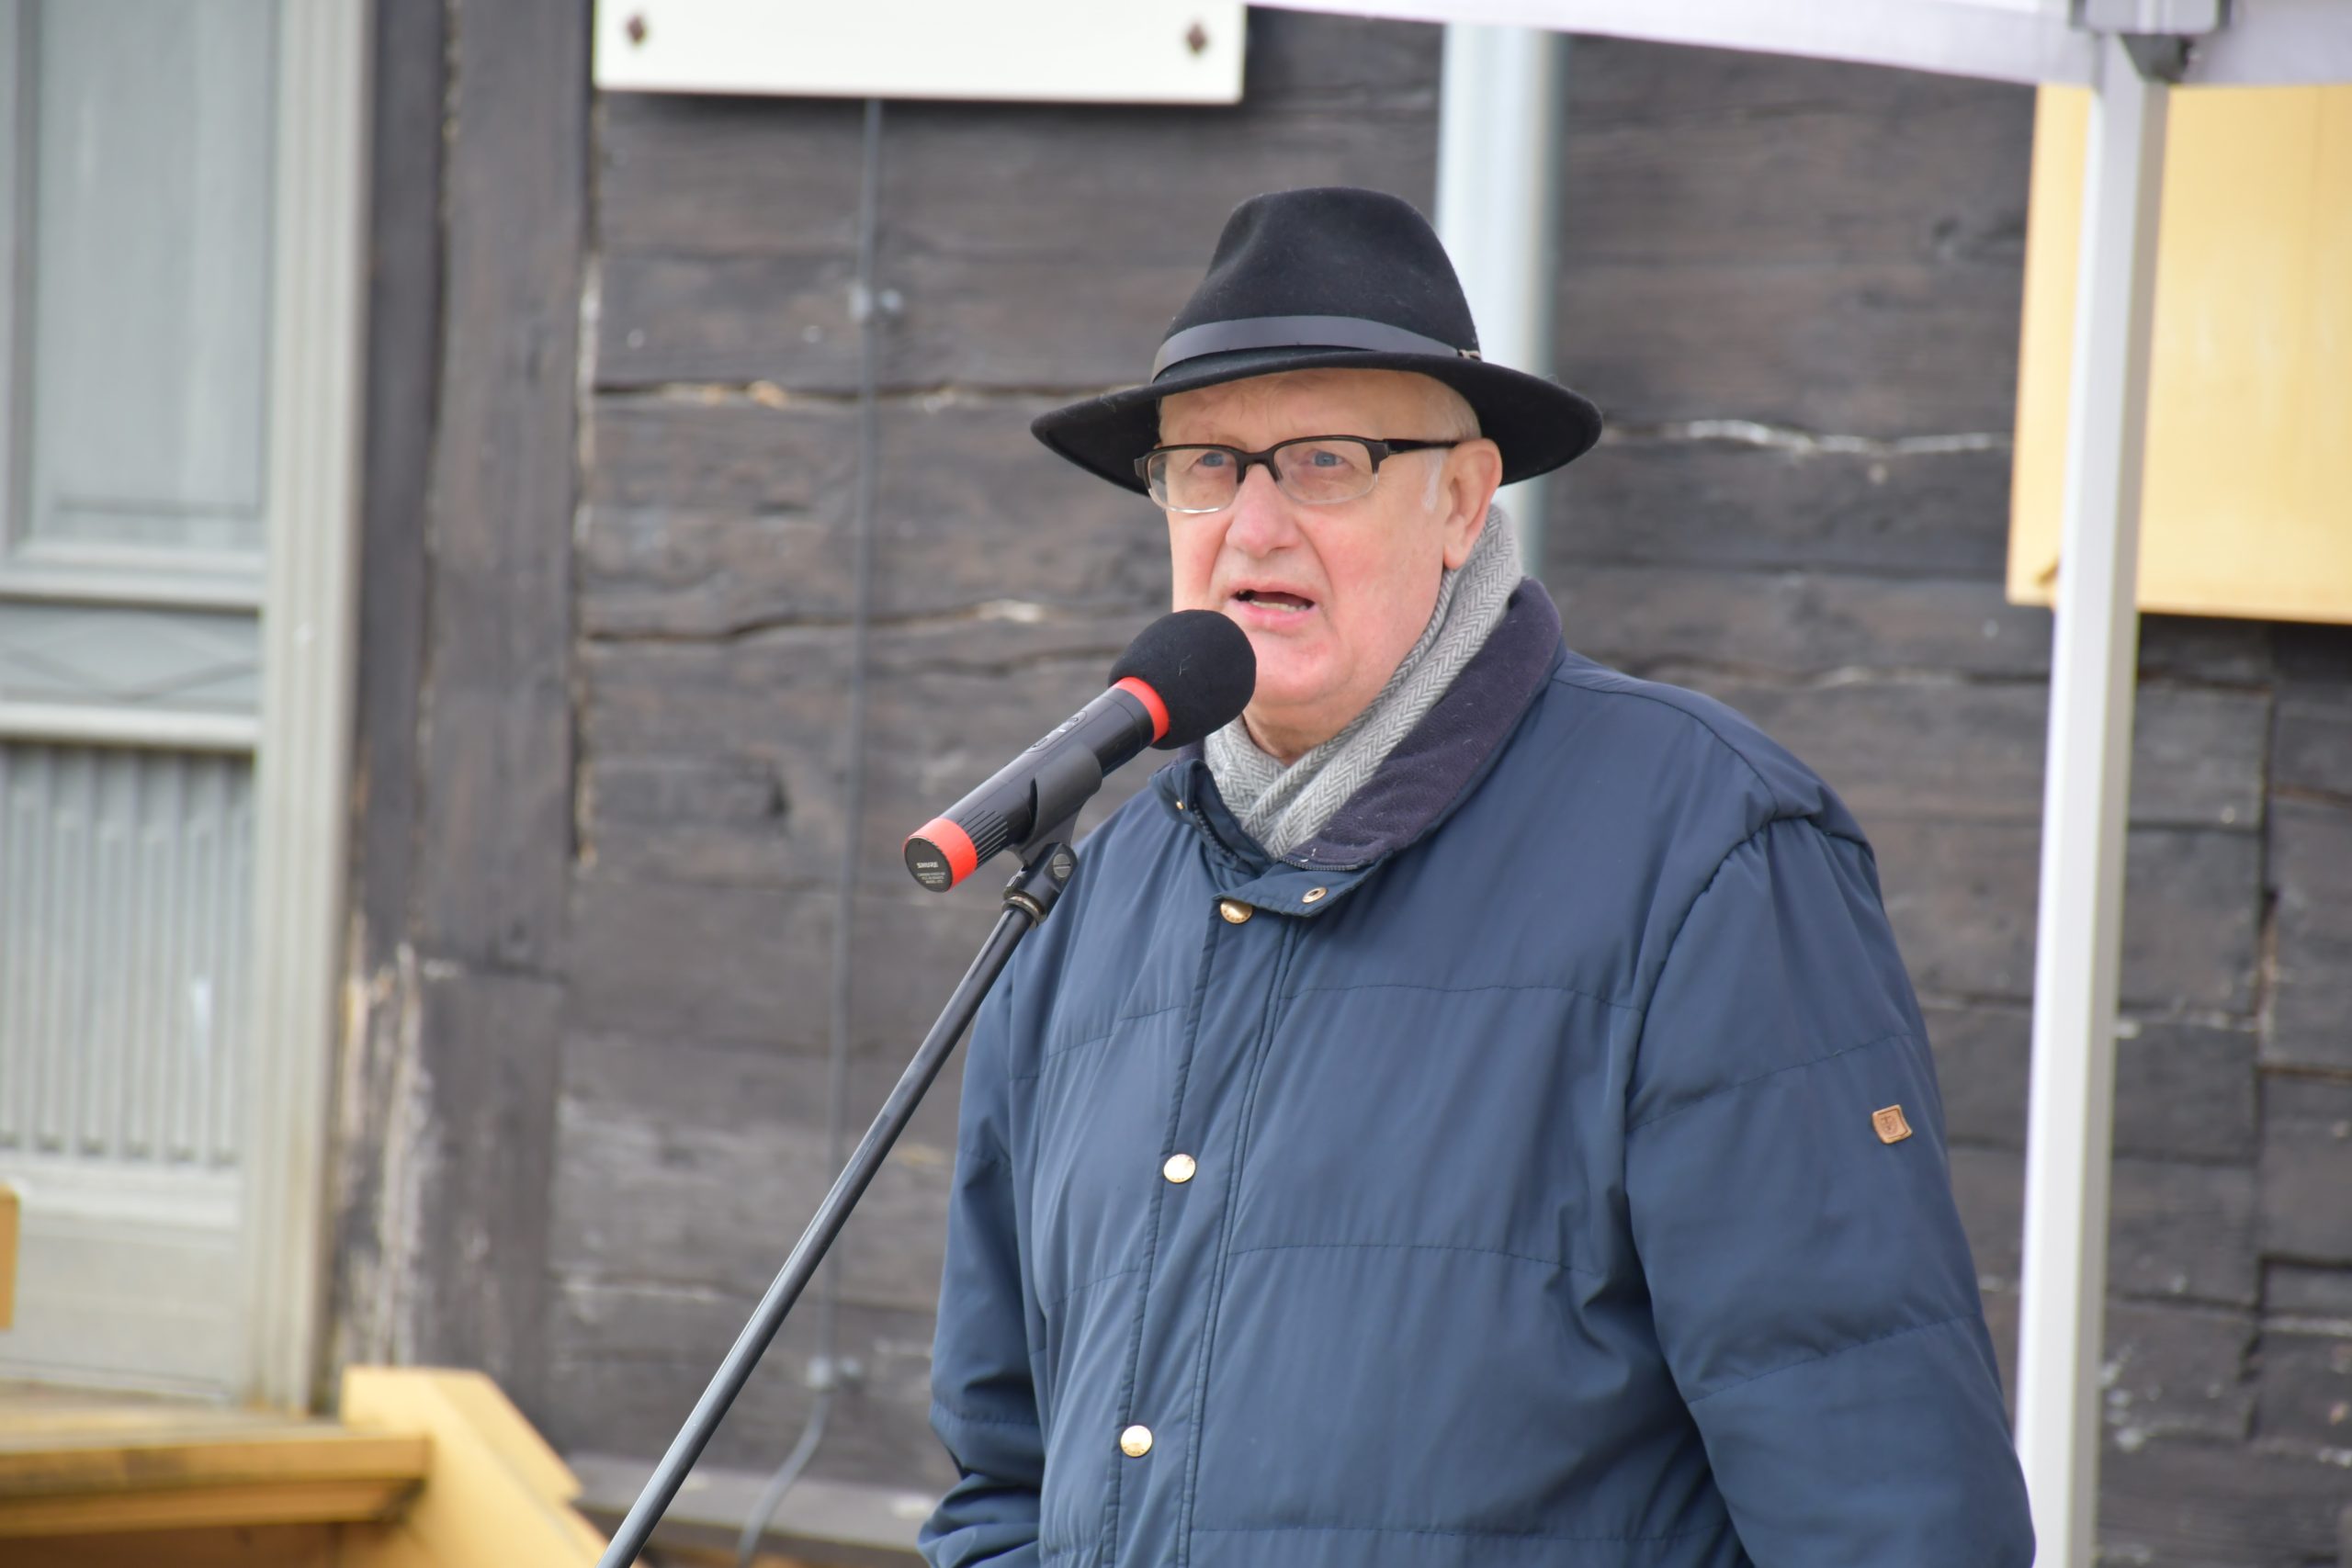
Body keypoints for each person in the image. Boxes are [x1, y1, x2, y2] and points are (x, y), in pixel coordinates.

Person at [919, 186, 2034, 1568]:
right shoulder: (1086, 899)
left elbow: (1884, 1501)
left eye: (1323, 462)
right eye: (1206, 465)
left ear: (1460, 500)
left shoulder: (1708, 856)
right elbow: (1004, 1478)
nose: (1252, 527)